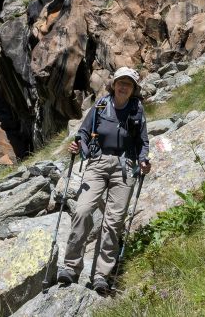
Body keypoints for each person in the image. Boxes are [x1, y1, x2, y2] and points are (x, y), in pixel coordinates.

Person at [57, 66, 152, 294]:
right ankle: (70, 267)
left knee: (114, 222)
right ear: (113, 84)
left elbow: (143, 142)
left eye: (128, 84)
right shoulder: (100, 106)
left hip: (125, 167)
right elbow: (82, 132)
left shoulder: (136, 110)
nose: (123, 86)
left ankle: (101, 275)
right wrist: (77, 144)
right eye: (121, 82)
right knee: (82, 210)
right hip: (98, 164)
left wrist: (143, 161)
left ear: (133, 89)